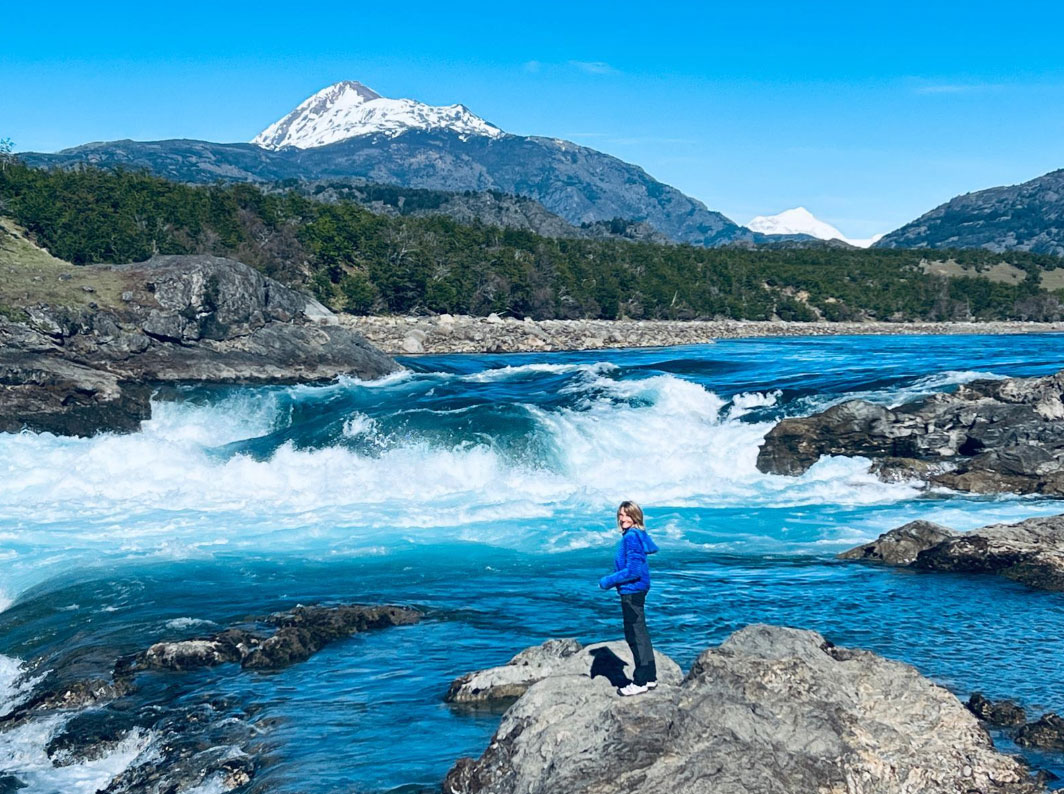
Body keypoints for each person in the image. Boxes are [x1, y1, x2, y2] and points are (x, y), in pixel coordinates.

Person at [598, 500, 659, 696]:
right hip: (637, 589)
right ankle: (650, 677)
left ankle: (640, 681)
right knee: (641, 632)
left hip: (632, 590)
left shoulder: (631, 537)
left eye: (627, 515)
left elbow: (633, 571)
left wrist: (608, 581)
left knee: (635, 635)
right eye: (621, 515)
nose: (623, 519)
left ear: (636, 517)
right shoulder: (638, 535)